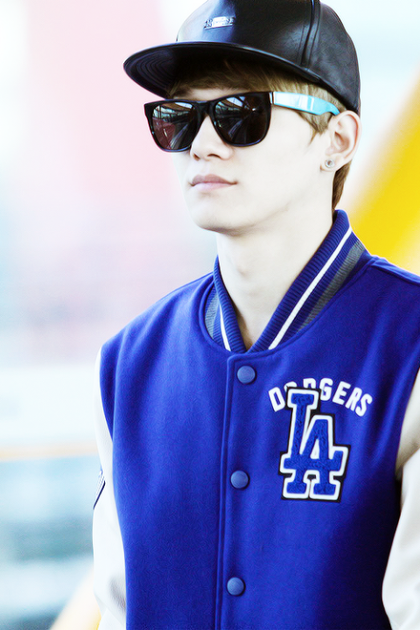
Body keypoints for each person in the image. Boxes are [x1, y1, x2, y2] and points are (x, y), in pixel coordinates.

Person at [92, 0, 420, 628]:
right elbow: (117, 608)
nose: (202, 145)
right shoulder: (128, 364)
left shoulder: (408, 346)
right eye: (178, 118)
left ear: (337, 140)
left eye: (242, 114)